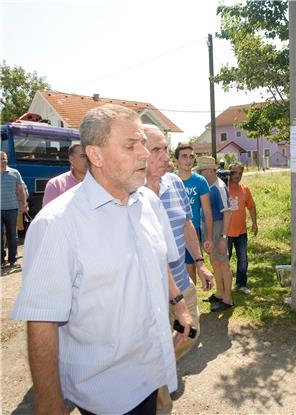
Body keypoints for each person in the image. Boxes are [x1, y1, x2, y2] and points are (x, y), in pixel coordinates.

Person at [10, 104, 194, 415]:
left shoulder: (148, 201)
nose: (145, 154)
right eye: (130, 146)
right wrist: (49, 402)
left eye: (142, 144)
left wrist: (180, 305)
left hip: (152, 372)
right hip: (107, 392)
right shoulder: (57, 224)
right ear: (95, 156)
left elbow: (156, 260)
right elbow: (42, 320)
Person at [142, 125, 213, 415]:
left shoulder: (175, 183)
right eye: (155, 150)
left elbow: (186, 225)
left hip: (181, 280)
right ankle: (154, 385)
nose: (166, 158)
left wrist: (199, 262)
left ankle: (153, 368)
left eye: (164, 149)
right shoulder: (130, 191)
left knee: (191, 331)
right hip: (149, 293)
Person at [195, 156, 234, 312]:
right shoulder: (207, 186)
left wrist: (224, 237)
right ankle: (219, 293)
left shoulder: (219, 187)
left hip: (218, 227)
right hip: (209, 226)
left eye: (202, 171)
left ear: (211, 170)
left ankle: (228, 298)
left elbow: (228, 213)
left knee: (223, 263)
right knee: (215, 262)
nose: (200, 174)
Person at [174, 143, 214, 285]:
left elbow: (207, 211)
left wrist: (208, 237)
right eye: (184, 156)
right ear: (177, 160)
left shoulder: (200, 181)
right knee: (173, 270)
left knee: (191, 270)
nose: (188, 160)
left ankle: (190, 305)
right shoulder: (170, 180)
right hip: (173, 231)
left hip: (193, 230)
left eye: (191, 156)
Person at [227, 162, 258, 294]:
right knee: (224, 261)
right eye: (234, 173)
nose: (237, 176)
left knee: (243, 259)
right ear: (229, 173)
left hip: (241, 232)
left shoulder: (245, 189)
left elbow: (251, 207)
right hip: (225, 233)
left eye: (240, 173)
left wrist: (255, 223)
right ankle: (223, 286)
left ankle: (241, 284)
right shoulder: (223, 188)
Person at [1, 151, 28, 269]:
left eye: (4, 158)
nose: (2, 160)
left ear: (7, 159)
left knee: (13, 235)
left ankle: (13, 259)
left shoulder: (15, 173)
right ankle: (1, 260)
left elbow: (21, 190)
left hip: (12, 208)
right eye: (0, 158)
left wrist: (24, 204)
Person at [42, 142, 89, 206]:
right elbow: (47, 214)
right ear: (71, 160)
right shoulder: (56, 185)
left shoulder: (101, 183)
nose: (88, 160)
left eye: (89, 156)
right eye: (83, 156)